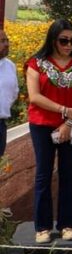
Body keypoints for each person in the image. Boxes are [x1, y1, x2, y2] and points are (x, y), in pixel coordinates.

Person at [25, 20, 72, 243]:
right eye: (64, 40)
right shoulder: (36, 63)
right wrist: (64, 110)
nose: (69, 44)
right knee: (43, 174)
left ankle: (67, 224)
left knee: (67, 174)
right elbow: (34, 97)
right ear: (53, 39)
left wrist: (69, 122)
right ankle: (42, 227)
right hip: (42, 124)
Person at [0, 28, 18, 217]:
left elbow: (13, 92)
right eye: (2, 41)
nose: (7, 43)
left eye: (7, 39)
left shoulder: (10, 66)